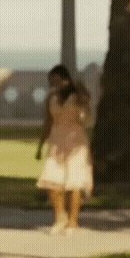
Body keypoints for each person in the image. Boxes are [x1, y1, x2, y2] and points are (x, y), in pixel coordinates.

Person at [35, 64, 93, 235]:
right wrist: (40, 145)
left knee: (74, 182)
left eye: (57, 80)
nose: (54, 84)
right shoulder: (51, 99)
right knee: (52, 180)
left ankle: (73, 221)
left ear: (66, 79)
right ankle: (60, 216)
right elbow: (48, 122)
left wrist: (84, 100)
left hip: (76, 142)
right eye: (51, 82)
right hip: (56, 142)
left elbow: (87, 119)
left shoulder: (77, 97)